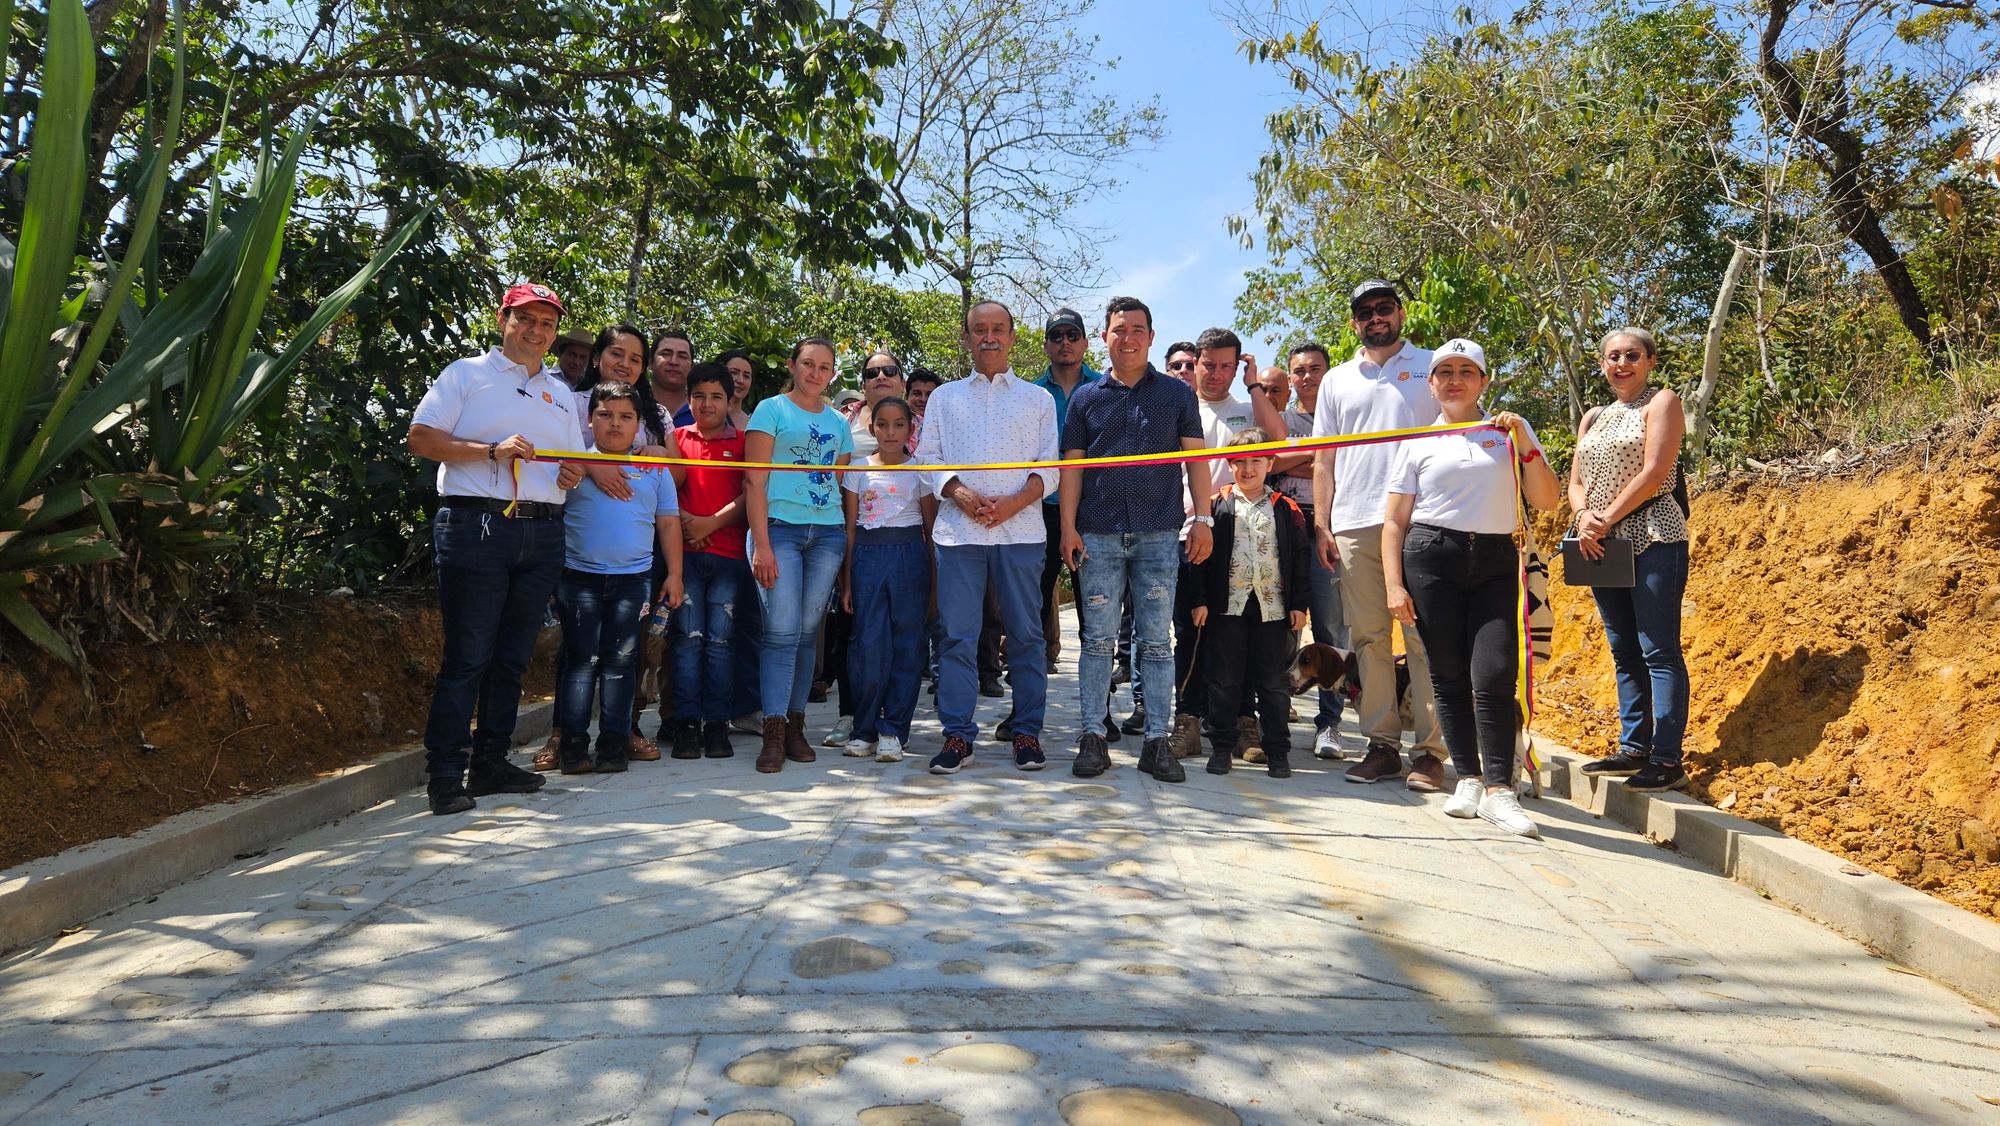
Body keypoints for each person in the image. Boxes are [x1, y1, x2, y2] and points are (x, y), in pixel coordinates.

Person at [407, 282, 575, 815]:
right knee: (468, 656)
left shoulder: (560, 393)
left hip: (542, 531)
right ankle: (444, 774)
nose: (536, 330)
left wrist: (572, 473)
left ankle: (491, 763)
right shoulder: (466, 374)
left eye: (547, 323)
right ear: (504, 319)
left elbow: (572, 462)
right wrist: (489, 451)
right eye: (526, 318)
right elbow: (421, 438)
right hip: (475, 525)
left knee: (512, 657)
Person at [1382, 339, 1562, 837]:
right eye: (1445, 372)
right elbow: (1394, 521)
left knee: (1495, 674)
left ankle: (1500, 791)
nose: (1455, 380)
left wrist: (1525, 442)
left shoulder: (1508, 432)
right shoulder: (1416, 441)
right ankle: (1469, 779)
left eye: (1466, 371)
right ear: (1431, 383)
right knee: (1447, 675)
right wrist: (1394, 585)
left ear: (1484, 381)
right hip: (1431, 556)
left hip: (1496, 560)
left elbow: (1547, 499)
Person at [1059, 296, 1211, 783]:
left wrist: (1203, 518)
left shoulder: (1177, 394)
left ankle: (1156, 742)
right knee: (1097, 641)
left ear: (1151, 336)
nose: (1128, 338)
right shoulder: (1085, 398)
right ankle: (1092, 736)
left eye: (1137, 330)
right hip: (1098, 535)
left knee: (1157, 644)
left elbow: (1196, 460)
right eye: (1119, 330)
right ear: (1105, 337)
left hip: (1159, 535)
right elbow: (1071, 469)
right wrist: (1067, 528)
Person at [1312, 279, 1450, 792]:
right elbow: (1323, 459)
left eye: (1384, 308)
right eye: (1365, 312)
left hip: (1423, 520)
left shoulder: (1433, 366)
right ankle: (1382, 746)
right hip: (1353, 522)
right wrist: (1322, 524)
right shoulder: (1336, 380)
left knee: (1423, 637)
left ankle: (1430, 753)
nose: (1376, 317)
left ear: (1401, 313)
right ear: (1355, 323)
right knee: (1369, 638)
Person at [918, 300, 1060, 775]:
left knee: (1026, 636)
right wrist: (958, 492)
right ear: (966, 338)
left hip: (1021, 532)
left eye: (998, 329)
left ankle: (1026, 733)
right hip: (959, 534)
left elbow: (1050, 467)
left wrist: (1014, 503)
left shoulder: (1038, 400)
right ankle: (958, 736)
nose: (989, 337)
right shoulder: (944, 398)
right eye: (979, 329)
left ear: (1013, 336)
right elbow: (928, 459)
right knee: (957, 637)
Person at [532, 324, 674, 771]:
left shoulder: (656, 415)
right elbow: (553, 463)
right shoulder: (566, 400)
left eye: (635, 358)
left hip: (633, 563)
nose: (624, 364)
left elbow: (670, 489)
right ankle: (566, 737)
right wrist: (593, 465)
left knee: (624, 656)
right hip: (579, 564)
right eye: (616, 354)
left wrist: (658, 456)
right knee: (578, 656)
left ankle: (620, 734)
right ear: (598, 357)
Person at [1569, 327, 1692, 793]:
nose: (1622, 364)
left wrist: (1604, 519)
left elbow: (1656, 472)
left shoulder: (1662, 402)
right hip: (1600, 543)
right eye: (1614, 356)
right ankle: (1634, 746)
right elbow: (1575, 482)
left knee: (1658, 649)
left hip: (1655, 534)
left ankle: (1667, 759)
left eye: (1633, 355)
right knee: (1624, 649)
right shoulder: (1593, 416)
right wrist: (1583, 517)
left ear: (1650, 361)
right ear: (1602, 364)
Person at [551, 382, 686, 773]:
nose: (615, 423)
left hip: (633, 581)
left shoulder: (654, 468)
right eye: (605, 415)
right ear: (590, 419)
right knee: (580, 662)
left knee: (622, 663)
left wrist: (675, 574)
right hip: (579, 579)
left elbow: (668, 523)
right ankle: (573, 748)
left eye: (626, 416)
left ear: (639, 424)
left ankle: (612, 746)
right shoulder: (573, 465)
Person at [1169, 328, 1288, 761]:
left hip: (1243, 536)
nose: (1216, 374)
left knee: (1243, 637)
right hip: (1187, 532)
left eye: (1226, 366)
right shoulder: (1178, 405)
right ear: (1195, 362)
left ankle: (1243, 725)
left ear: (1237, 368)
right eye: (1208, 365)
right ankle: (1188, 722)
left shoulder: (1247, 408)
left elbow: (1278, 441)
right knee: (1191, 633)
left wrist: (1254, 385)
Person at [745, 337, 855, 772]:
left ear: (832, 375)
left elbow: (837, 485)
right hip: (779, 529)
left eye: (825, 367)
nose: (815, 373)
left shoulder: (839, 422)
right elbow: (754, 482)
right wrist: (762, 545)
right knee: (781, 631)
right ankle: (772, 729)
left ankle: (795, 725)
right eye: (808, 363)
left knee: (808, 632)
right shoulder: (770, 409)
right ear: (792, 365)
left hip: (827, 534)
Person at [1190, 429, 1311, 779]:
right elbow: (1199, 557)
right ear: (1229, 465)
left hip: (1272, 608)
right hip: (1227, 606)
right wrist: (1200, 600)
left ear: (1270, 463)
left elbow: (1300, 559)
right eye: (1239, 462)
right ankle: (1221, 747)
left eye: (1256, 461)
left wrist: (1299, 604)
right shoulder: (1215, 505)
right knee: (1224, 679)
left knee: (1273, 682)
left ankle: (1278, 751)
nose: (1247, 469)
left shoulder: (1285, 509)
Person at [821, 351, 912, 748]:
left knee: (903, 640)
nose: (881, 376)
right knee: (858, 637)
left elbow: (928, 517)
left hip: (906, 550)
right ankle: (857, 719)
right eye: (872, 372)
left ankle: (892, 725)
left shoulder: (922, 443)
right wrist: (846, 573)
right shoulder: (843, 424)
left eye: (889, 370)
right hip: (859, 544)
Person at [841, 397, 937, 763]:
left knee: (908, 644)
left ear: (911, 430)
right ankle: (864, 729)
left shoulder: (919, 470)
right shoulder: (858, 468)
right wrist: (847, 582)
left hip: (910, 558)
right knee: (867, 644)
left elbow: (930, 530)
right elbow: (850, 529)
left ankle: (894, 729)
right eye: (883, 424)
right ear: (872, 428)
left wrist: (935, 585)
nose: (891, 432)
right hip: (867, 558)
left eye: (899, 425)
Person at [667, 362, 751, 760]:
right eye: (698, 396)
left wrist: (709, 523)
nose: (707, 403)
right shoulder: (676, 438)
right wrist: (688, 525)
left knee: (720, 642)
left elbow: (752, 493)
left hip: (728, 557)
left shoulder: (745, 442)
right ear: (688, 400)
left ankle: (717, 724)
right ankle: (686, 724)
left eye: (716, 396)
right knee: (686, 641)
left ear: (730, 400)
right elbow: (665, 489)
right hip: (684, 556)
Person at [1281, 345, 1351, 760]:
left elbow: (1345, 467)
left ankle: (1329, 725)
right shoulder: (1282, 420)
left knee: (1331, 632)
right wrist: (1321, 455)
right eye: (1299, 371)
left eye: (1315, 369)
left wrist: (1296, 458)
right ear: (1290, 378)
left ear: (1329, 373)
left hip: (1329, 532)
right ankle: (1276, 712)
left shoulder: (1344, 416)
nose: (1307, 377)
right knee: (1282, 629)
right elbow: (1268, 462)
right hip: (1286, 534)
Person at [651, 330, 695, 427]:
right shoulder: (632, 405)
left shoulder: (703, 411)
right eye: (666, 354)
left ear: (692, 367)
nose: (674, 362)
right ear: (650, 362)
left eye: (682, 356)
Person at [718, 348, 756, 429]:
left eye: (746, 376)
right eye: (733, 373)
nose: (741, 380)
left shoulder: (755, 424)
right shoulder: (702, 414)